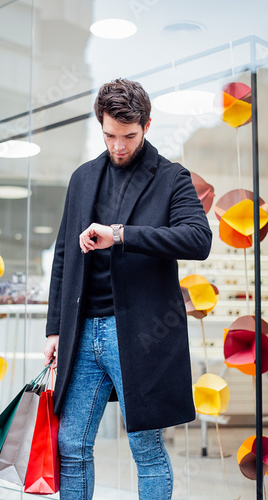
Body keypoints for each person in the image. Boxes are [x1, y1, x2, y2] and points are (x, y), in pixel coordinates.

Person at [44, 78, 212, 500]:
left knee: (146, 448)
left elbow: (198, 239)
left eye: (129, 136)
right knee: (71, 445)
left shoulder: (173, 178)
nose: (118, 146)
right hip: (82, 333)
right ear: (101, 127)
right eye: (109, 135)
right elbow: (64, 256)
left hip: (139, 333)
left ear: (147, 125)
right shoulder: (83, 178)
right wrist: (54, 330)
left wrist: (121, 234)